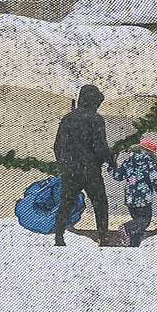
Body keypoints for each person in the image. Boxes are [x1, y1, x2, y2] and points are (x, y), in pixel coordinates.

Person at [51, 83, 112, 247]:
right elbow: (100, 146)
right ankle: (103, 236)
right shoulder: (96, 119)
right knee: (100, 202)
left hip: (70, 170)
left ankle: (59, 236)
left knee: (66, 203)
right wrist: (110, 161)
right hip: (90, 169)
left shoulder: (67, 119)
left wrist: (64, 164)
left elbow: (58, 145)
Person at [112, 135, 157, 244]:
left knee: (137, 222)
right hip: (143, 197)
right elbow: (154, 178)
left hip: (130, 198)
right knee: (145, 221)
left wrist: (110, 166)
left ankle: (133, 244)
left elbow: (119, 176)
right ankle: (127, 228)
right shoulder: (149, 161)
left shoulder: (129, 161)